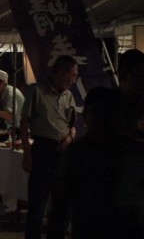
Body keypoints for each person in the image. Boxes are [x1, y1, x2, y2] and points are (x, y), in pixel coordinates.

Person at [47, 85, 144, 239]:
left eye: (106, 114)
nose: (102, 121)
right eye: (98, 114)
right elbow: (60, 204)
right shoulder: (77, 153)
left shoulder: (133, 153)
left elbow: (60, 205)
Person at [19, 55, 78, 239]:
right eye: (73, 75)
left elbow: (73, 125)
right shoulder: (36, 91)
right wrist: (27, 154)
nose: (75, 79)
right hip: (43, 149)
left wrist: (70, 137)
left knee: (62, 204)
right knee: (38, 204)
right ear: (62, 72)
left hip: (64, 151)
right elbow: (24, 123)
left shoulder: (68, 95)